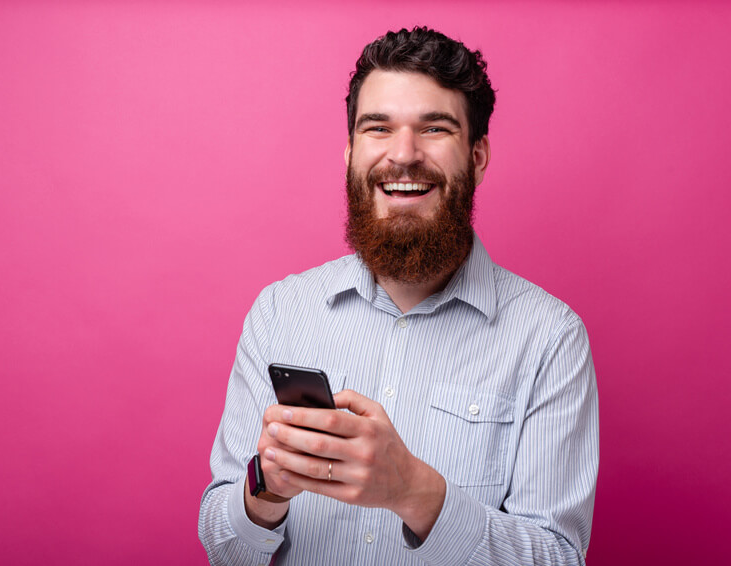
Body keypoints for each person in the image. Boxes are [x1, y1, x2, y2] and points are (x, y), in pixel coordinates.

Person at [198, 27, 598, 566]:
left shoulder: (550, 338)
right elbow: (224, 550)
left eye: (434, 128)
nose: (403, 155)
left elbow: (557, 558)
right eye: (378, 128)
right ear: (350, 152)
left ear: (477, 156)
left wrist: (414, 491)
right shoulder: (279, 312)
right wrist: (266, 487)